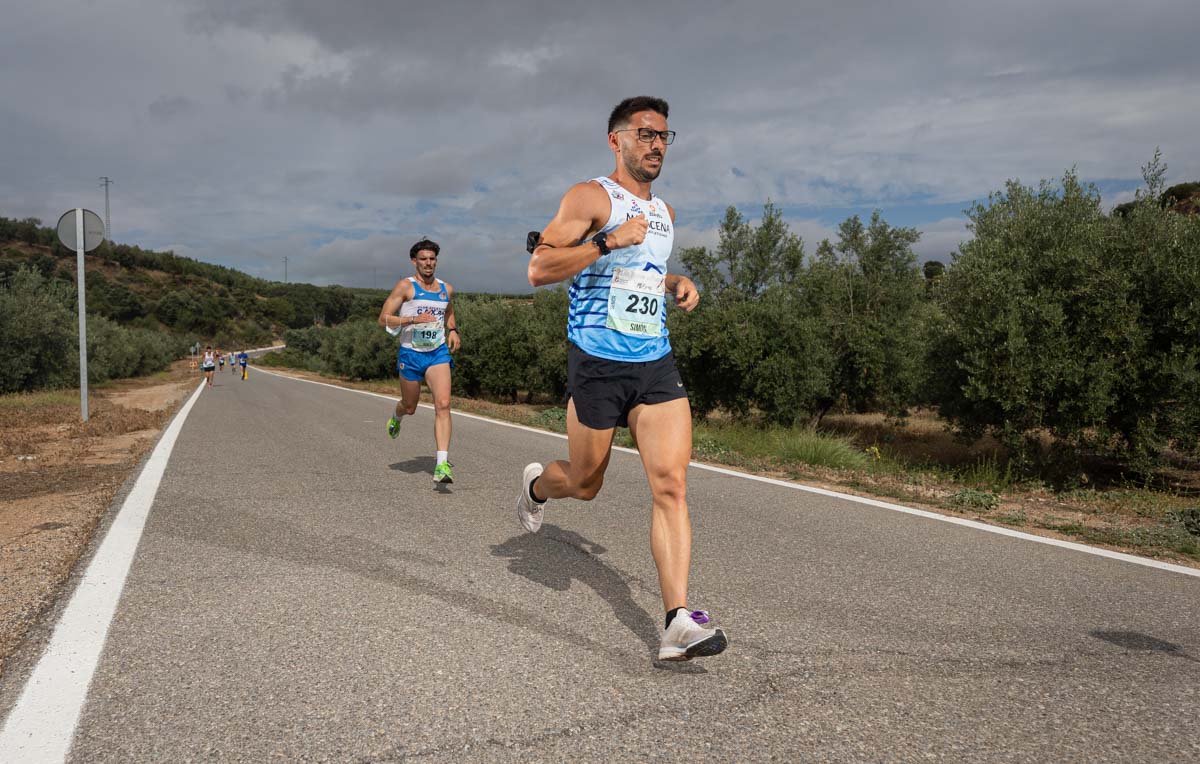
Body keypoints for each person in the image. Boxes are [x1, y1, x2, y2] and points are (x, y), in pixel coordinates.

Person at [519, 96, 727, 662]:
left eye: (664, 135)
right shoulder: (590, 197)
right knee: (585, 484)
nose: (656, 144)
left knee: (671, 483)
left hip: (654, 361)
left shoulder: (666, 214)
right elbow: (540, 267)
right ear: (617, 140)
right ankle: (538, 487)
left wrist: (675, 281)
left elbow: (642, 273)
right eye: (645, 134)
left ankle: (678, 621)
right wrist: (608, 238)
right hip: (597, 360)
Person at [378, 239, 461, 484]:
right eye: (423, 259)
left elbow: (448, 309)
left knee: (443, 404)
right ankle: (397, 415)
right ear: (414, 261)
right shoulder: (406, 287)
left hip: (437, 353)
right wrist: (412, 320)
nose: (428, 263)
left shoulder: (446, 288)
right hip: (410, 354)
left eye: (432, 259)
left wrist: (453, 329)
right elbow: (383, 319)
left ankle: (442, 464)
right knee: (410, 405)